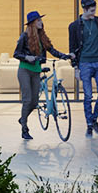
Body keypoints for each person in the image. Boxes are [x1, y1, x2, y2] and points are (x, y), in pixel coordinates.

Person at [69, 0, 98, 135]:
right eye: (91, 10)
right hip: (84, 64)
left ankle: (93, 119)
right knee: (88, 96)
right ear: (85, 9)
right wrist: (75, 68)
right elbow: (72, 48)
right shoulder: (74, 26)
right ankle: (89, 124)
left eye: (95, 9)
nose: (94, 12)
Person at [13, 10, 58, 140]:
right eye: (38, 20)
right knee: (27, 100)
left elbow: (52, 50)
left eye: (41, 20)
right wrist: (27, 57)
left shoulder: (42, 37)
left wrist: (66, 56)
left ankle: (22, 118)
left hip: (36, 71)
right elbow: (16, 54)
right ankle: (24, 129)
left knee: (35, 102)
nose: (41, 22)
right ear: (32, 23)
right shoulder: (24, 36)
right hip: (25, 70)